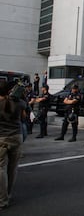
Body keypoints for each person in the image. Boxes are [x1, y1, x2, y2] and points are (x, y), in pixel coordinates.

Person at [0, 81, 26, 210]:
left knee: (1, 169)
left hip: (2, 139)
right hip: (17, 137)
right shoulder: (19, 103)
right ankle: (8, 194)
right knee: (12, 168)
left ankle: (2, 200)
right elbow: (24, 112)